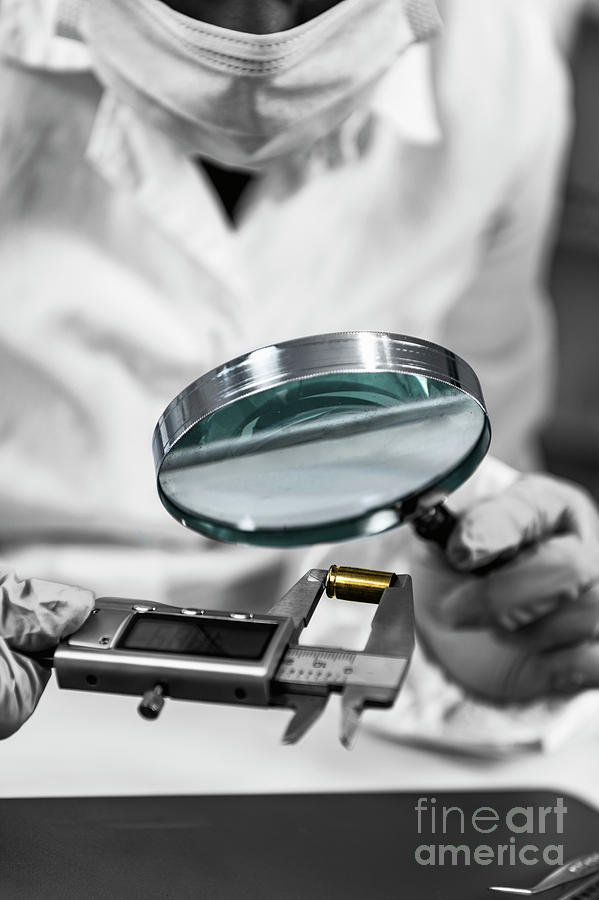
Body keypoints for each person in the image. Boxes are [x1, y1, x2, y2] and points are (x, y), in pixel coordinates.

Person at [0, 0, 595, 747]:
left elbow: (478, 464)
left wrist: (463, 621)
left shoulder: (496, 62)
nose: (266, 30)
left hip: (326, 715)